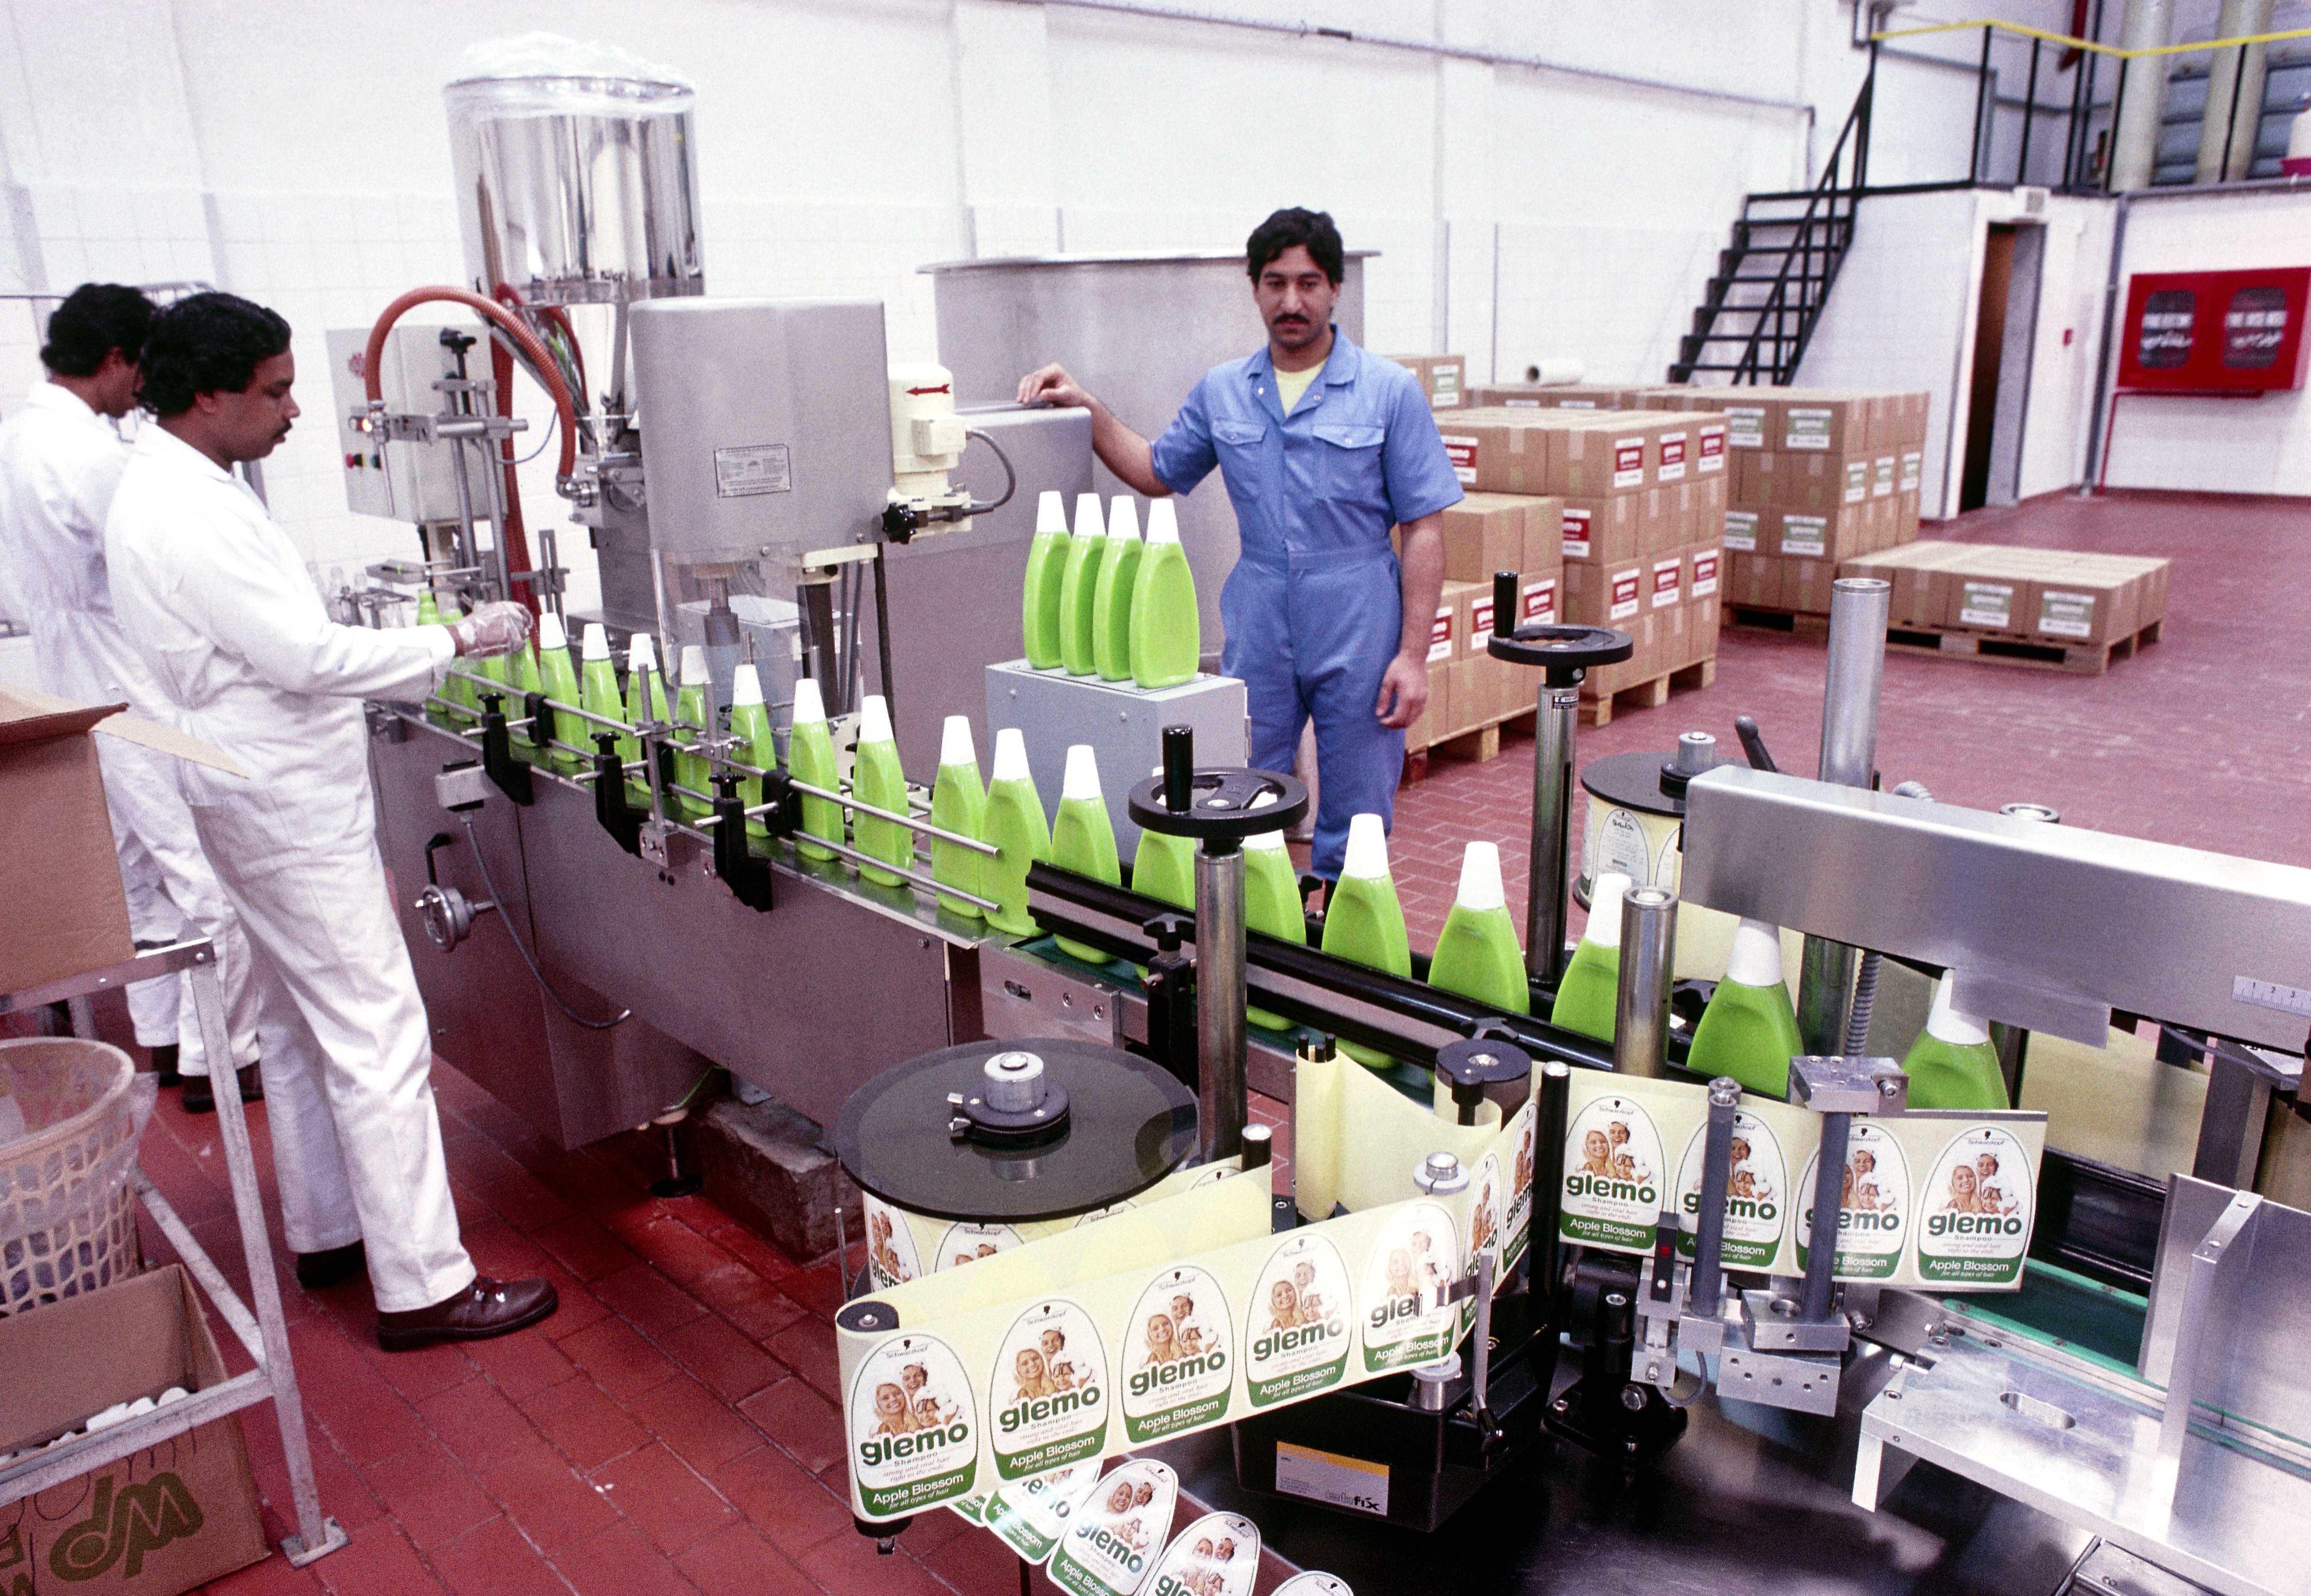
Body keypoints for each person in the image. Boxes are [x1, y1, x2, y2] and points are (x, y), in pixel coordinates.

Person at [105, 291, 552, 1349]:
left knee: (299, 1024)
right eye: (274, 392)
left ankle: (329, 1230)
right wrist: (459, 637)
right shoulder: (189, 510)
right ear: (208, 395)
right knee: (378, 1031)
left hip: (243, 788)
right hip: (284, 802)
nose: (295, 410)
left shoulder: (170, 486)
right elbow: (305, 658)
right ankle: (426, 1284)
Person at [1017, 207, 1461, 879]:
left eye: (1309, 283)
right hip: (1259, 615)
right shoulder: (1225, 390)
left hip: (1360, 614)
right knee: (1246, 793)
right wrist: (1088, 406)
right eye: (1275, 283)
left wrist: (1413, 655)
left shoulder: (1388, 391)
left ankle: (1344, 926)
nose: (1292, 301)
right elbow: (1155, 470)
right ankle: (1256, 924)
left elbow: (1424, 526)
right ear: (1254, 287)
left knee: (1361, 811)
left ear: (1336, 289)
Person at [0, 284, 261, 1113]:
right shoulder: (93, 455)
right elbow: (164, 564)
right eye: (141, 369)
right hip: (127, 689)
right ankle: (223, 1060)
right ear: (116, 359)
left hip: (65, 684)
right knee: (205, 876)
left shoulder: (17, 438)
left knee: (138, 884)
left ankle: (166, 1045)